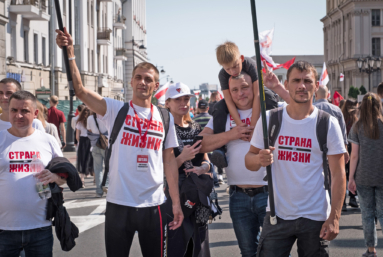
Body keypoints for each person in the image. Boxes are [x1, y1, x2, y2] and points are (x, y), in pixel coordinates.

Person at [56, 27, 183, 257]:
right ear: (132, 82)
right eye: (138, 78)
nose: (142, 82)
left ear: (155, 87)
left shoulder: (165, 117)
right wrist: (70, 53)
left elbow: (170, 162)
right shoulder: (116, 110)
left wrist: (175, 202)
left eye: (148, 79)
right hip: (119, 203)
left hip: (154, 204)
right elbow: (81, 91)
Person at [245, 61, 347, 256]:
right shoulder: (269, 120)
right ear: (287, 84)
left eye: (307, 81)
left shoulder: (327, 123)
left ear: (316, 86)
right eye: (296, 81)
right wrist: (259, 159)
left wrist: (334, 217)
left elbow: (338, 174)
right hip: (277, 214)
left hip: (315, 216)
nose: (302, 86)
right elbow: (248, 161)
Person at [200, 72, 268, 257]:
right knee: (247, 252)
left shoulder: (268, 111)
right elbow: (200, 143)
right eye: (235, 90)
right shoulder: (223, 116)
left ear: (253, 87)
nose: (240, 93)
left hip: (269, 194)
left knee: (276, 252)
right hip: (238, 196)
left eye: (245, 87)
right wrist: (232, 134)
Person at [0, 91, 65, 256]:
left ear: (35, 113)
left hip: (40, 228)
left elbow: (65, 176)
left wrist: (56, 177)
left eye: (25, 111)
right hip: (4, 229)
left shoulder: (48, 141)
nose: (18, 115)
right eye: (14, 110)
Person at [165, 83, 212, 257]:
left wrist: (203, 168)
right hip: (174, 196)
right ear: (167, 102)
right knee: (177, 244)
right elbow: (161, 170)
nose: (183, 103)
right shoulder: (162, 130)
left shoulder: (195, 128)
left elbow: (206, 160)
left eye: (186, 99)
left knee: (199, 245)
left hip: (196, 194)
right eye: (178, 99)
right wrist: (182, 158)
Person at [348, 93, 383, 257]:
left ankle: (371, 250)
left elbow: (354, 155)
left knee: (367, 214)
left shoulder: (357, 126)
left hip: (363, 176)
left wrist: (351, 178)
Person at [341, 99, 359, 210]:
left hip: (342, 149)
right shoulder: (356, 121)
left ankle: (342, 201)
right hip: (353, 149)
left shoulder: (341, 118)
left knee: (342, 175)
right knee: (352, 174)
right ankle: (352, 197)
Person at [87, 111, 108, 197]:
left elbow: (89, 130)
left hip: (95, 144)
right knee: (109, 167)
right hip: (106, 145)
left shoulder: (90, 118)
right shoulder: (106, 117)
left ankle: (99, 191)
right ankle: (106, 186)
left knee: (98, 168)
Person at [76, 106, 93, 186]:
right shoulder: (91, 121)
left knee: (82, 161)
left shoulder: (79, 122)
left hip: (82, 141)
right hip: (90, 141)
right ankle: (95, 180)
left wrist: (80, 142)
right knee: (91, 159)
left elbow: (77, 136)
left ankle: (82, 180)